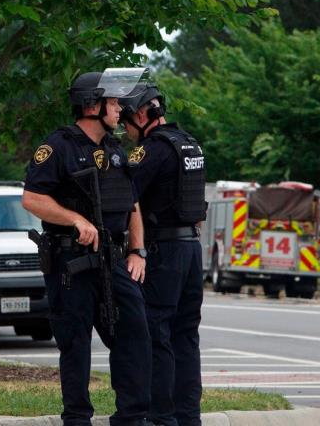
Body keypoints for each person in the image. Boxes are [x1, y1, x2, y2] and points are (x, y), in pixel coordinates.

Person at [22, 69, 152, 426]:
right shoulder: (58, 147)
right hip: (71, 263)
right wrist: (75, 220)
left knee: (135, 334)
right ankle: (77, 418)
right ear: (91, 106)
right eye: (112, 103)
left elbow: (132, 204)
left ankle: (132, 417)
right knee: (75, 344)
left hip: (113, 261)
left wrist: (136, 251)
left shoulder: (114, 150)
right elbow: (32, 199)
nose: (119, 110)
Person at [120, 81, 207, 426]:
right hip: (191, 249)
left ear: (142, 115)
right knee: (187, 336)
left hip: (164, 250)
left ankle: (162, 417)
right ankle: (189, 417)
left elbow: (126, 193)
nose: (125, 130)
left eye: (127, 121)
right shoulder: (189, 143)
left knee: (158, 334)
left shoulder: (152, 149)